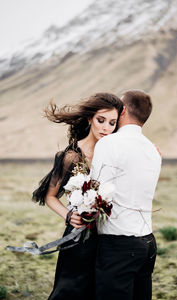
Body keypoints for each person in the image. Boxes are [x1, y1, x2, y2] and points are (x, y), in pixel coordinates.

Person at [32, 92, 123, 300]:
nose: (106, 128)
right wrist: (67, 215)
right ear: (90, 118)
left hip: (109, 235)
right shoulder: (71, 156)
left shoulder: (114, 153)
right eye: (101, 120)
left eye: (112, 123)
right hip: (79, 235)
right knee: (70, 290)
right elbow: (50, 196)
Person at [91, 90, 162, 300]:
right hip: (147, 242)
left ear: (123, 110)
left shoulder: (108, 144)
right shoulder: (153, 150)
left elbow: (98, 193)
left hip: (118, 244)